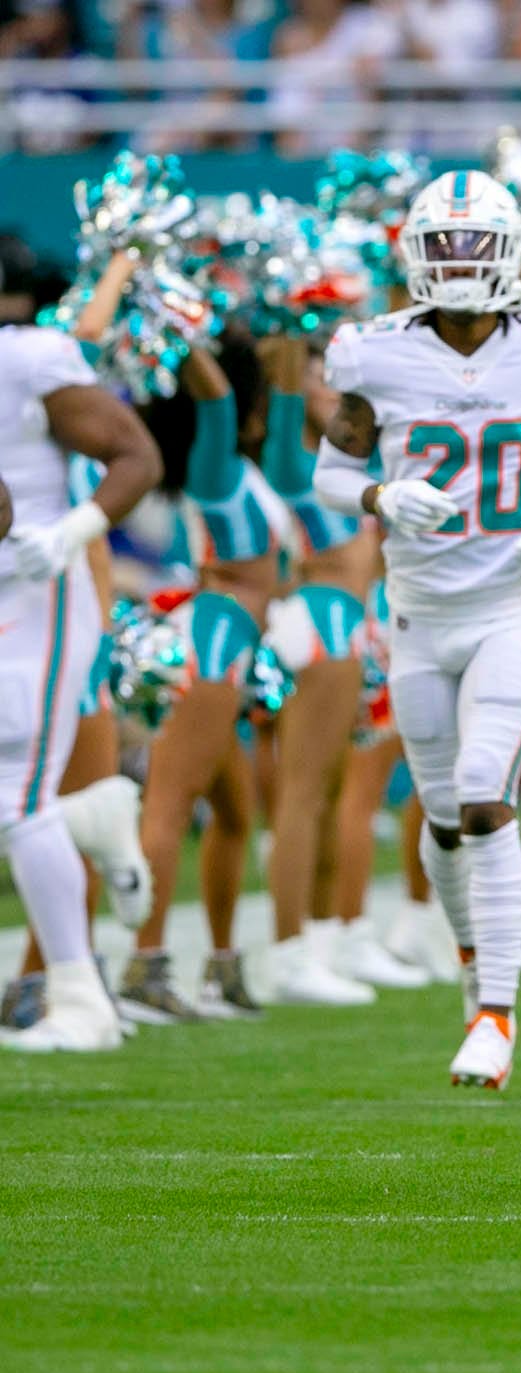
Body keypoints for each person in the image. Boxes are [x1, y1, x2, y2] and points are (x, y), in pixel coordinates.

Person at [316, 169, 521, 1090]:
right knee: (442, 819)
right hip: (417, 614)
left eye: (476, 245)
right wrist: (378, 494)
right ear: (414, 255)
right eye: (443, 245)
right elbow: (327, 471)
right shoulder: (373, 353)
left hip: (510, 607)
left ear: (511, 252)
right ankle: (475, 972)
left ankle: (499, 1014)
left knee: (486, 793)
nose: (461, 262)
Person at [114, 335, 287, 1024]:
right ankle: (145, 965)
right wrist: (177, 330)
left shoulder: (247, 469)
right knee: (169, 803)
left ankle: (222, 966)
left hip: (233, 649)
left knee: (236, 816)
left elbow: (273, 381)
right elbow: (213, 396)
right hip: (210, 639)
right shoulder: (215, 467)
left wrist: (285, 337)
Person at [0, 321, 161, 1051]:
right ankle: (92, 819)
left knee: (20, 797)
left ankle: (79, 996)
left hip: (30, 593)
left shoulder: (29, 359)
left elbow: (137, 455)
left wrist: (66, 534)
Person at [254, 332, 385, 1003]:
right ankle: (287, 953)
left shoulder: (352, 461)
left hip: (350, 627)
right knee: (300, 796)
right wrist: (288, 326)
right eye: (316, 377)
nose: (329, 388)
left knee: (329, 795)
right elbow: (282, 388)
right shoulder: (290, 458)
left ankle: (324, 941)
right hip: (320, 623)